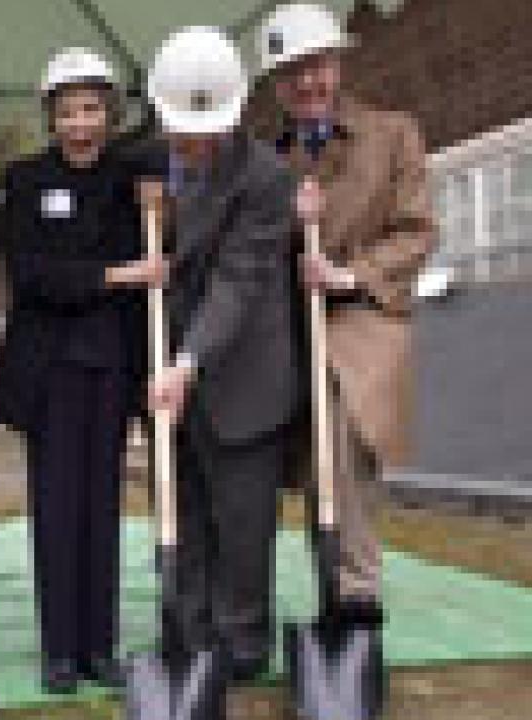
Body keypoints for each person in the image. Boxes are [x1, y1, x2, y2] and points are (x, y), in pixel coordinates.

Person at [254, 3, 436, 622]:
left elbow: (416, 233)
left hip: (362, 319)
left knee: (348, 444)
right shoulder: (267, 159)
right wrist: (286, 222)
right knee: (310, 462)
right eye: (292, 71)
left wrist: (347, 274)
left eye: (319, 66)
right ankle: (332, 585)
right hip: (290, 326)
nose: (308, 82)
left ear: (338, 64)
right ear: (276, 82)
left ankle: (357, 591)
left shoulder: (393, 135)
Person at [0, 48, 160, 693]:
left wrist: (153, 200)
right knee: (58, 508)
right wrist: (116, 274)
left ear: (111, 114)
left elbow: (164, 156)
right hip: (52, 369)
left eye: (91, 109)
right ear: (51, 119)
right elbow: (32, 275)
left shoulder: (132, 178)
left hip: (114, 363)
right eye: (67, 113)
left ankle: (100, 648)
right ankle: (60, 650)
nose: (80, 125)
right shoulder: (25, 180)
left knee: (103, 508)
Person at [143, 26, 299, 684]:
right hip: (171, 373)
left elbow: (238, 280)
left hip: (241, 374)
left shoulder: (266, 177)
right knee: (184, 506)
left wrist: (188, 360)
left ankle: (242, 641)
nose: (195, 143)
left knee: (243, 518)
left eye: (206, 130)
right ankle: (188, 629)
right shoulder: (146, 168)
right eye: (183, 130)